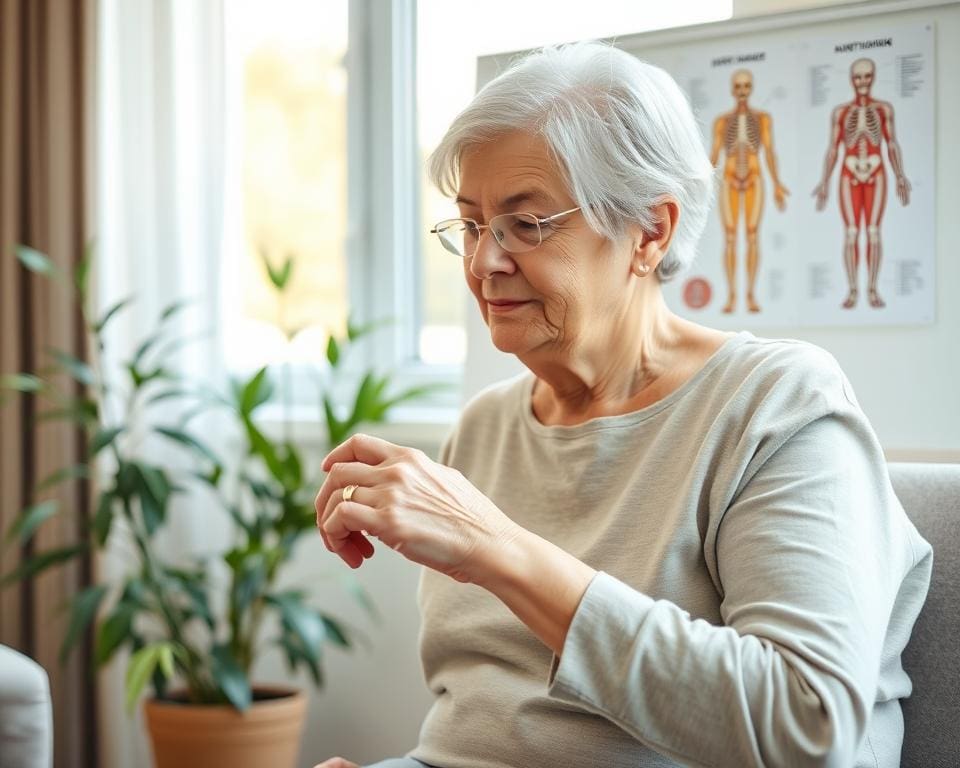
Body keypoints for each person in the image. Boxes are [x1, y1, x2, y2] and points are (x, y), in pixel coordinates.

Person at [313, 42, 931, 768]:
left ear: (650, 230)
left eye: (527, 223)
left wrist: (495, 546)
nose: (484, 262)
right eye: (473, 225)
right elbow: (483, 725)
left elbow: (805, 726)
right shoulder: (485, 428)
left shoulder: (778, 405)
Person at [812, 57, 911, 310]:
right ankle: (854, 290)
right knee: (852, 233)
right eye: (858, 77)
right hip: (849, 173)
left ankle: (872, 289)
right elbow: (833, 149)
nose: (863, 82)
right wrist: (824, 181)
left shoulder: (884, 110)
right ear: (851, 80)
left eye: (867, 76)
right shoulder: (841, 113)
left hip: (877, 172)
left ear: (874, 77)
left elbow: (891, 143)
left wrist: (900, 175)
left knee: (874, 232)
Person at [710, 68, 789, 314]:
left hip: (755, 177)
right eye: (738, 87)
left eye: (746, 86)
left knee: (753, 236)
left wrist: (777, 184)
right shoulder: (722, 122)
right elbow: (713, 156)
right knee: (731, 238)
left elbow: (769, 151)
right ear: (732, 90)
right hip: (729, 178)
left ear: (751, 89)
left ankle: (751, 295)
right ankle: (732, 296)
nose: (742, 91)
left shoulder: (763, 118)